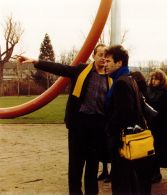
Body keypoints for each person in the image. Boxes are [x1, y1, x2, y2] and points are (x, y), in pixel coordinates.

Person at [17, 44, 110, 195]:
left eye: (106, 55)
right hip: (79, 124)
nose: (103, 58)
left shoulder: (110, 78)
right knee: (76, 164)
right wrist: (35, 61)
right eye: (100, 54)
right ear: (94, 56)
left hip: (97, 126)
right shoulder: (81, 70)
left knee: (93, 166)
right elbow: (60, 68)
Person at [104, 45, 153, 195]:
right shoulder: (129, 79)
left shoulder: (121, 83)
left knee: (122, 181)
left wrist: (109, 130)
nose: (104, 64)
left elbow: (124, 113)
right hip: (129, 137)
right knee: (131, 180)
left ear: (119, 63)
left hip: (123, 140)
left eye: (108, 61)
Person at [146, 69, 167, 183]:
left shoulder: (165, 93)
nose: (153, 81)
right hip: (149, 125)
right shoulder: (147, 91)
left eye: (156, 79)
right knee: (149, 149)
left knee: (158, 150)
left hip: (160, 126)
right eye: (152, 78)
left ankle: (156, 173)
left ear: (161, 80)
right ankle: (150, 171)